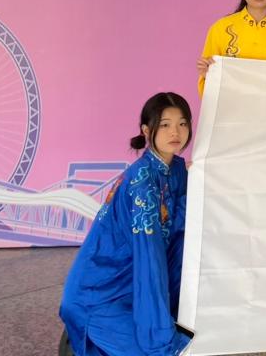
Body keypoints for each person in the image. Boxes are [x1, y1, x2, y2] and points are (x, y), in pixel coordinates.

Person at [59, 92, 193, 356]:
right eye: (165, 124)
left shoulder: (177, 170)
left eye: (182, 123)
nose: (175, 132)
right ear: (147, 130)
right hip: (98, 295)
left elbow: (182, 234)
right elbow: (150, 261)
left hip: (135, 287)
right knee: (154, 351)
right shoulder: (143, 182)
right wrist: (161, 341)